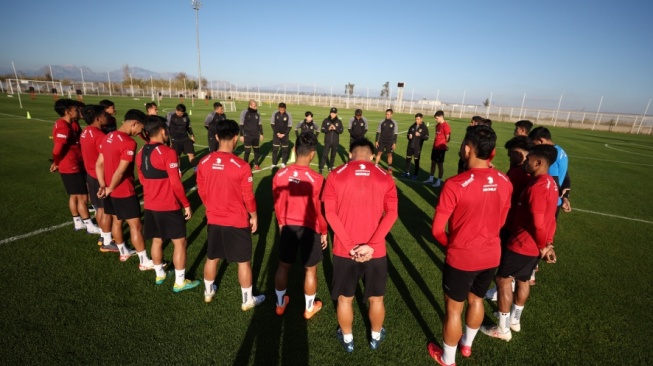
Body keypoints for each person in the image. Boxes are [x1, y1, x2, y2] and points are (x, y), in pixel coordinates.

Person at [428, 125, 512, 366]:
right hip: (491, 255)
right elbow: (502, 221)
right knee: (476, 300)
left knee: (454, 310)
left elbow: (436, 230)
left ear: (467, 149)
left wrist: (450, 246)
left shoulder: (455, 184)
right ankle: (467, 346)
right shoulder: (505, 181)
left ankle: (447, 359)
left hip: (463, 257)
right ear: (492, 152)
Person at [322, 138, 398, 352]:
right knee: (376, 298)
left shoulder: (335, 174)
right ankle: (375, 337)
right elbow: (392, 213)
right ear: (372, 155)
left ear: (349, 154)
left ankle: (348, 341)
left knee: (345, 300)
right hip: (376, 253)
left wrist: (349, 245)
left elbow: (329, 213)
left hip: (345, 252)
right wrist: (372, 245)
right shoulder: (385, 177)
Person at [480, 144, 558, 341]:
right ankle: (515, 320)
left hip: (523, 244)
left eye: (529, 158)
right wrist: (548, 243)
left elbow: (539, 223)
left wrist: (543, 245)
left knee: (503, 280)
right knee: (523, 279)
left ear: (539, 162)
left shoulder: (537, 187)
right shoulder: (551, 183)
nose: (526, 161)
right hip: (534, 247)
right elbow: (551, 220)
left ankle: (503, 329)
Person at [197, 119, 266, 310]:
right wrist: (253, 215)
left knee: (212, 257)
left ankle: (208, 292)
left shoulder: (204, 162)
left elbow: (202, 191)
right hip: (236, 220)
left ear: (217, 136)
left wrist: (210, 206)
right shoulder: (242, 166)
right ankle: (247, 300)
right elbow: (248, 197)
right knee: (243, 262)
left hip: (214, 218)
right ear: (236, 138)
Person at [136, 116, 200, 292]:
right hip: (169, 205)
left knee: (157, 240)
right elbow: (176, 183)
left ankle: (160, 274)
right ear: (163, 131)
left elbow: (141, 178)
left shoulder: (141, 152)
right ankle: (180, 282)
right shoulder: (167, 152)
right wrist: (186, 203)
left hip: (150, 205)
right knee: (180, 242)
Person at [272, 132, 328, 319]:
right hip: (309, 229)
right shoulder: (318, 179)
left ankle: (280, 304)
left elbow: (277, 203)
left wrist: (281, 223)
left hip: (287, 226)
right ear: (313, 153)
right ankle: (309, 308)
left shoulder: (280, 174)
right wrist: (324, 232)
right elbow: (320, 211)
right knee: (310, 270)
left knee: (283, 266)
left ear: (295, 150)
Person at [96, 109, 155, 269]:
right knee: (135, 225)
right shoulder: (129, 142)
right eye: (140, 128)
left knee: (117, 221)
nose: (140, 132)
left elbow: (99, 163)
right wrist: (111, 188)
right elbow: (121, 171)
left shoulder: (108, 136)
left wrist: (104, 186)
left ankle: (124, 252)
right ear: (134, 123)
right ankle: (144, 261)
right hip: (123, 191)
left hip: (109, 188)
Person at [485, 136, 534, 302]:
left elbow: (503, 192)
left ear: (519, 154)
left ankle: (504, 323)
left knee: (503, 275)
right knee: (522, 278)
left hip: (509, 226)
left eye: (511, 153)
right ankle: (514, 316)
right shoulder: (533, 174)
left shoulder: (518, 173)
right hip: (523, 231)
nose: (508, 156)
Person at [51, 99, 100, 235]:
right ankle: (89, 225)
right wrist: (56, 162)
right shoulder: (63, 127)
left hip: (73, 164)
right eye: (75, 109)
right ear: (68, 111)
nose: (78, 111)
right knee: (83, 197)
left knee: (75, 195)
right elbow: (57, 149)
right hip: (71, 166)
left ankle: (78, 222)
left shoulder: (71, 124)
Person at [80, 105, 117, 252]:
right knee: (107, 210)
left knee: (100, 208)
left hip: (91, 175)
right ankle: (107, 241)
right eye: (104, 115)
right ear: (97, 118)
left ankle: (103, 236)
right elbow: (106, 159)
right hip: (101, 176)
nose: (106, 117)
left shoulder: (85, 132)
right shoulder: (100, 136)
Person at [424, 110, 451, 187]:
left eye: (436, 118)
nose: (435, 120)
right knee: (433, 163)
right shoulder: (437, 126)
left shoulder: (446, 126)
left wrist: (445, 145)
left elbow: (448, 138)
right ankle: (431, 178)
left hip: (441, 149)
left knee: (440, 165)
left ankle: (439, 181)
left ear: (441, 117)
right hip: (435, 147)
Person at [403, 113, 429, 180]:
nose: (416, 120)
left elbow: (427, 137)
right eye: (416, 119)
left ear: (421, 119)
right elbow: (408, 134)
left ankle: (415, 174)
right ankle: (407, 172)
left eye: (418, 119)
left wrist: (419, 135)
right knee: (408, 159)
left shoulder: (424, 128)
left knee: (416, 161)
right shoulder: (412, 126)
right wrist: (409, 136)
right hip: (410, 146)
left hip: (417, 148)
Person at [239, 99, 263, 170]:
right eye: (255, 106)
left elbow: (260, 124)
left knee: (256, 150)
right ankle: (246, 165)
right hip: (247, 135)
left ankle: (256, 165)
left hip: (256, 135)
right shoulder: (244, 112)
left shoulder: (258, 113)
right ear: (250, 105)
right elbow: (241, 124)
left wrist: (261, 134)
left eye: (256, 105)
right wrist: (241, 135)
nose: (256, 107)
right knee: (247, 151)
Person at [319, 107, 344, 174]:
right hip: (327, 141)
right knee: (324, 155)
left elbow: (341, 131)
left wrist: (335, 128)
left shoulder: (339, 121)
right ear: (330, 113)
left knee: (333, 155)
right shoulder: (326, 120)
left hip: (335, 142)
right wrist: (328, 128)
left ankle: (330, 167)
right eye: (332, 113)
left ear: (336, 113)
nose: (333, 114)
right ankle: (321, 168)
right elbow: (322, 129)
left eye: (334, 113)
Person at [270, 102, 293, 168]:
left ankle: (283, 163)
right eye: (280, 110)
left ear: (285, 109)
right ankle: (274, 163)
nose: (281, 111)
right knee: (275, 149)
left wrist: (284, 134)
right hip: (276, 135)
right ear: (278, 108)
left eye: (283, 110)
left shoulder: (288, 115)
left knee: (284, 150)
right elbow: (272, 124)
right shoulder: (275, 114)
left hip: (285, 136)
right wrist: (277, 133)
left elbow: (290, 125)